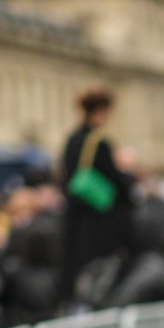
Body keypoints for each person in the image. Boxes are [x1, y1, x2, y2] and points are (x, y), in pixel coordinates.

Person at [59, 85, 135, 304]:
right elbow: (117, 184)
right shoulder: (99, 141)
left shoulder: (72, 139)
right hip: (97, 225)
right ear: (102, 111)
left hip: (75, 220)